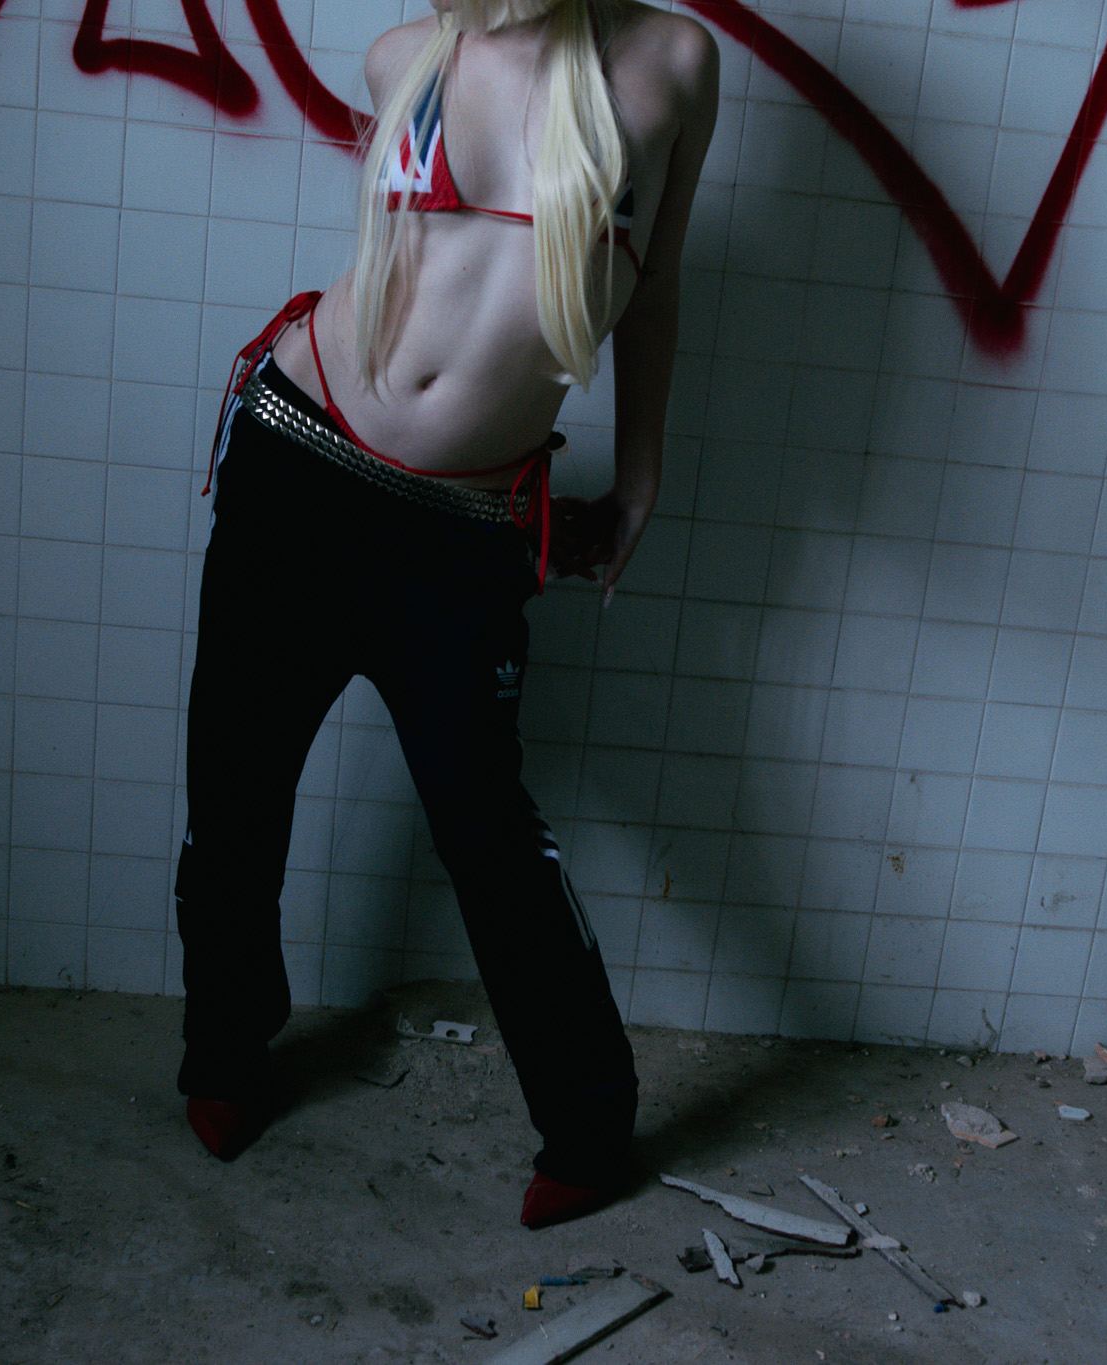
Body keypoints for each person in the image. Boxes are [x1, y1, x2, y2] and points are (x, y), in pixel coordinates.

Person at [170, 0, 718, 1230]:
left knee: (486, 832)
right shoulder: (404, 57)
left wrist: (640, 472)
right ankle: (224, 1050)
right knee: (236, 789)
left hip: (462, 530)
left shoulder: (673, 63)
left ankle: (587, 1119)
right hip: (299, 461)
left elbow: (654, 285)